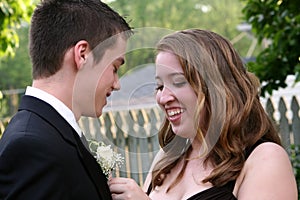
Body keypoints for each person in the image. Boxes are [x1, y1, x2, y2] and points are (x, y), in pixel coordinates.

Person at [108, 29, 297, 200]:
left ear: (218, 87)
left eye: (179, 82)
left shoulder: (265, 158)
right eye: (159, 86)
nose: (163, 98)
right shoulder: (166, 159)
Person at [0, 0, 133, 199]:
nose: (117, 84)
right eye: (114, 67)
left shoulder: (51, 134)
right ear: (83, 55)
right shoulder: (32, 148)